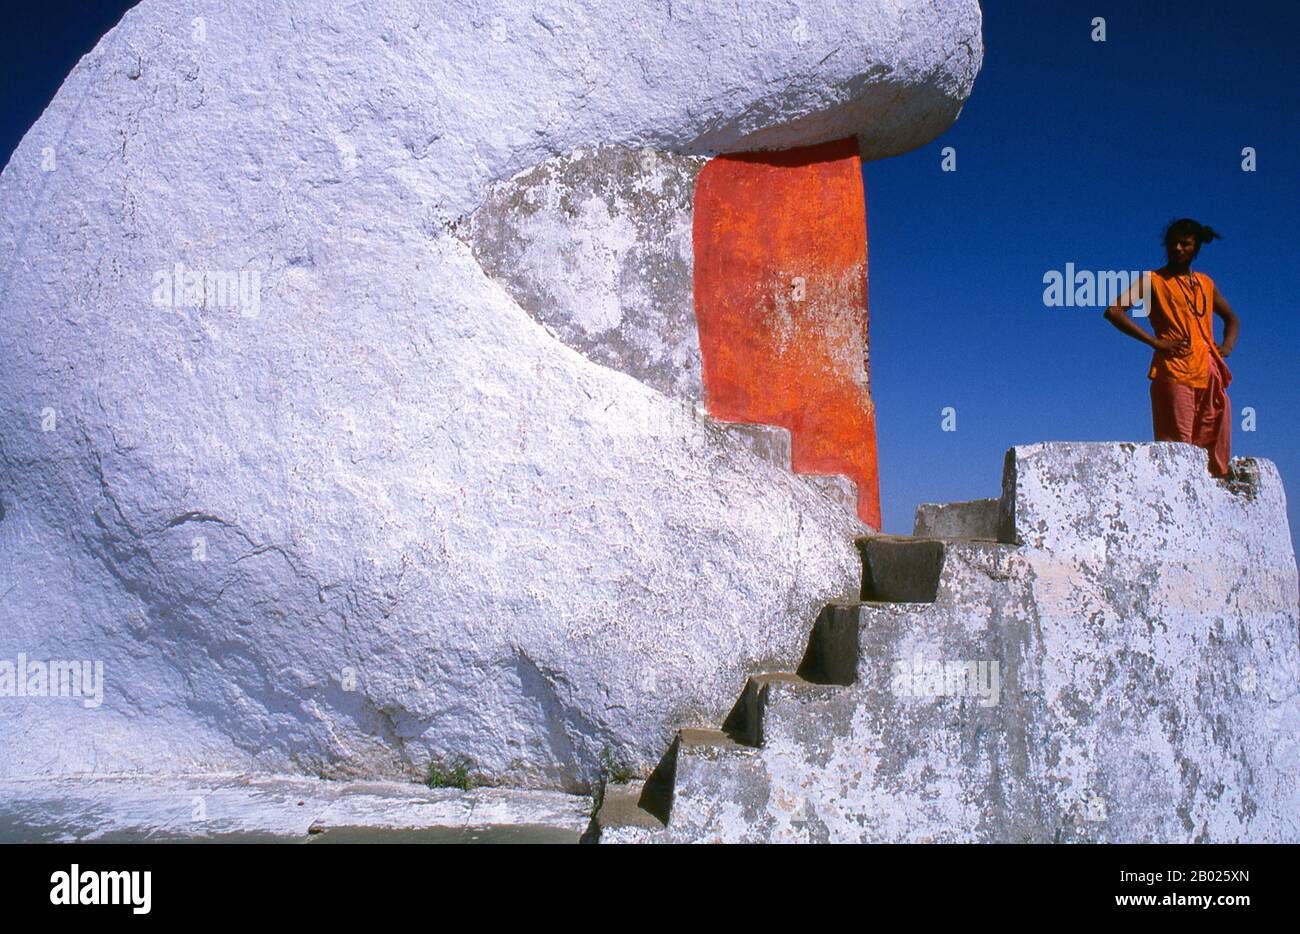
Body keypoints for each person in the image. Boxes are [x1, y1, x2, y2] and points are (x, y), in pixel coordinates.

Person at [1103, 219, 1240, 477]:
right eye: (1172, 243)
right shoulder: (1153, 280)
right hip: (1175, 372)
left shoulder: (1204, 283)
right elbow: (1114, 311)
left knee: (1212, 444)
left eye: (1185, 244)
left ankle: (1211, 501)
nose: (1177, 248)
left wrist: (1227, 345)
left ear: (1196, 247)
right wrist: (1156, 342)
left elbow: (1232, 319)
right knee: (1179, 449)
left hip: (1210, 373)